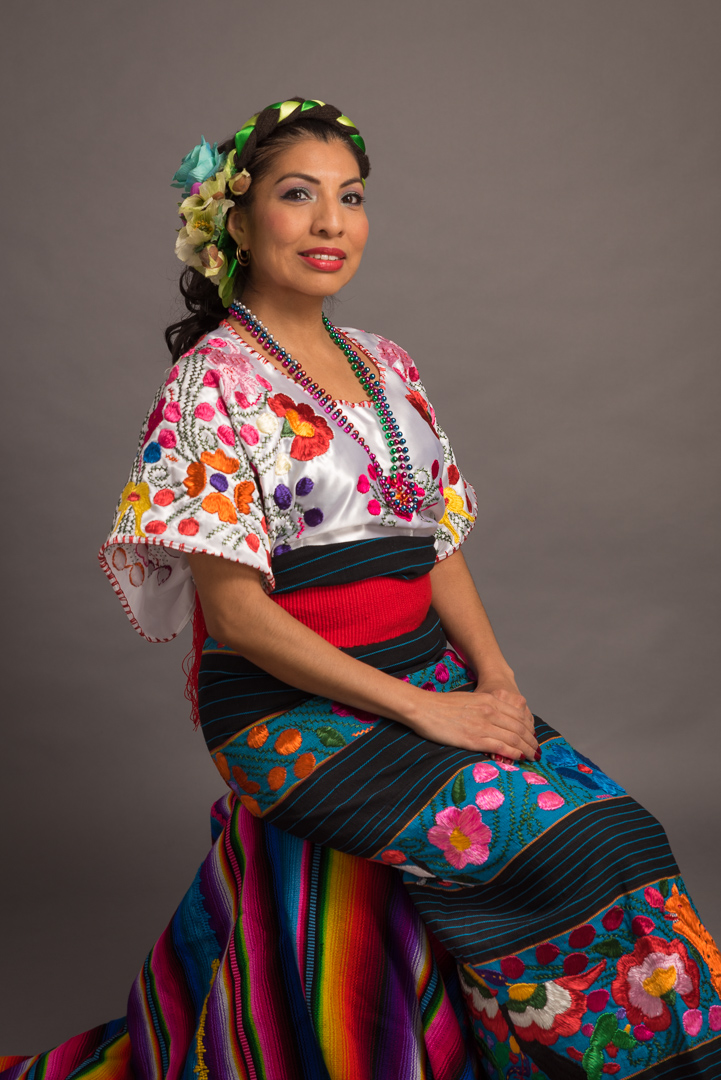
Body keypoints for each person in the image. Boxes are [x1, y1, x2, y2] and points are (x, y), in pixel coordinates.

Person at [2, 97, 720, 1080]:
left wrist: (496, 681)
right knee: (553, 848)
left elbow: (437, 547)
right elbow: (236, 618)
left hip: (426, 674)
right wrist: (426, 712)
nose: (331, 222)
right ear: (236, 220)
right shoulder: (210, 383)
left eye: (351, 197)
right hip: (289, 710)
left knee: (623, 833)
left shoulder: (387, 364)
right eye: (300, 195)